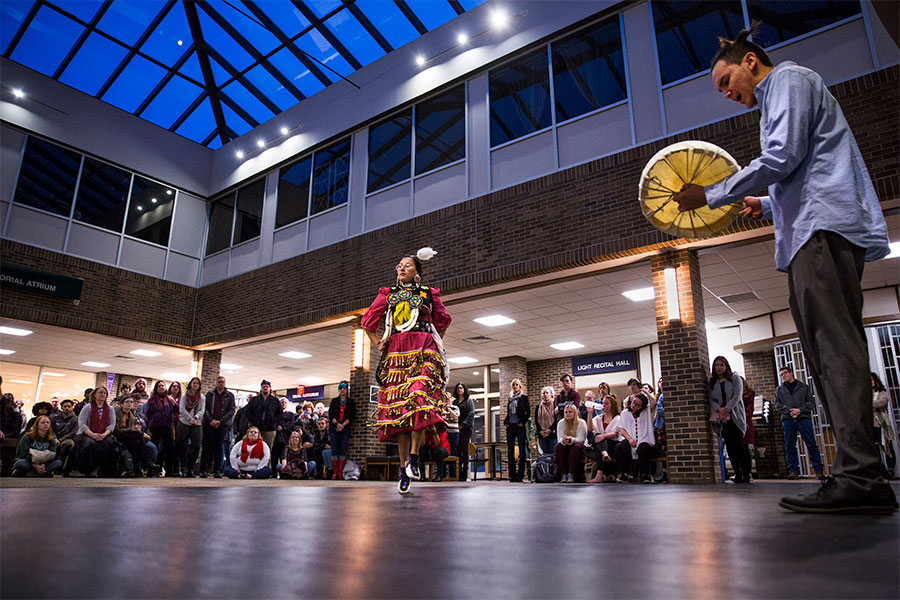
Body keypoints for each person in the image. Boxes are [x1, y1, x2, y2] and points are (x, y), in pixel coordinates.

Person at [673, 27, 895, 513]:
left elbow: (783, 156)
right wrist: (766, 201)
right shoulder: (776, 99)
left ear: (751, 61)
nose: (728, 94)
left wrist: (710, 193)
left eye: (727, 81)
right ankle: (859, 475)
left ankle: (861, 476)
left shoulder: (789, 80)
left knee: (835, 350)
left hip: (821, 231)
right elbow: (798, 168)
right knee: (824, 353)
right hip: (809, 232)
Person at [362, 248, 451, 494]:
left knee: (419, 398)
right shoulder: (387, 294)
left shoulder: (428, 293)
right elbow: (368, 322)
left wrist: (433, 342)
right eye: (399, 265)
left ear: (417, 272)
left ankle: (414, 457)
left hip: (423, 348)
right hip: (397, 351)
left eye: (407, 266)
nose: (401, 268)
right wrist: (378, 341)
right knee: (399, 412)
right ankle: (404, 468)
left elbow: (443, 320)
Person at [774, 366, 825, 481]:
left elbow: (810, 403)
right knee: (789, 445)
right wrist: (790, 410)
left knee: (811, 443)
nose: (783, 376)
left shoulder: (804, 387)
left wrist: (800, 410)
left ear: (791, 373)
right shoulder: (779, 390)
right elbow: (777, 405)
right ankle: (793, 471)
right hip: (788, 419)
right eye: (781, 374)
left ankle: (818, 471)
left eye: (785, 373)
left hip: (803, 418)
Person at [709, 357, 752, 484]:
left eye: (721, 365)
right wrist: (718, 409)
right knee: (730, 447)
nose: (719, 368)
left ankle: (746, 474)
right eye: (716, 365)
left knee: (739, 445)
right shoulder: (712, 381)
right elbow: (710, 398)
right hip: (721, 418)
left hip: (734, 415)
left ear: (726, 366)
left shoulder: (734, 378)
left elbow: (737, 395)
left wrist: (727, 408)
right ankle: (737, 473)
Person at [67, 387, 117, 477]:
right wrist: (93, 435)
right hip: (85, 433)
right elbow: (82, 423)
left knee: (108, 443)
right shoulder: (87, 407)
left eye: (104, 393)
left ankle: (95, 469)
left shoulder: (110, 409)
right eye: (100, 393)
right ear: (94, 395)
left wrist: (104, 434)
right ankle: (77, 468)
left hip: (103, 434)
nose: (102, 395)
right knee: (88, 443)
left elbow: (112, 424)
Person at [614, 392, 656, 483]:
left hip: (644, 439)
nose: (633, 405)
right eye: (633, 402)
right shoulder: (625, 413)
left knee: (643, 448)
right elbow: (622, 429)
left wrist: (645, 392)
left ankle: (645, 475)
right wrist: (630, 439)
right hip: (629, 438)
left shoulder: (646, 412)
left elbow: (653, 403)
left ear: (642, 407)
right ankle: (624, 473)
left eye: (637, 405)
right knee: (620, 448)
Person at [200, 375, 235, 478]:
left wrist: (220, 421)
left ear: (225, 383)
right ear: (216, 382)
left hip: (222, 425)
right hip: (209, 424)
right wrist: (211, 420)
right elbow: (204, 408)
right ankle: (204, 470)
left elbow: (232, 410)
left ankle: (217, 470)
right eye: (219, 381)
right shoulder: (210, 394)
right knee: (207, 447)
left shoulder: (230, 396)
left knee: (218, 448)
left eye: (222, 382)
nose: (221, 383)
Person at [145, 380, 179, 477]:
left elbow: (177, 410)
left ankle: (169, 471)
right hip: (155, 426)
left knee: (170, 449)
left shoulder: (169, 399)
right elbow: (147, 413)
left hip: (167, 426)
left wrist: (174, 402)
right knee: (155, 448)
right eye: (159, 386)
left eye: (163, 386)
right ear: (156, 388)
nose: (161, 387)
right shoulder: (151, 400)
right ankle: (153, 470)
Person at [586, 395, 622, 483]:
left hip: (612, 443)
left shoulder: (617, 418)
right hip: (600, 444)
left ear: (612, 406)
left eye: (607, 404)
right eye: (603, 403)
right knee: (597, 437)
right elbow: (590, 429)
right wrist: (590, 414)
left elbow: (615, 433)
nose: (604, 405)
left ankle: (600, 475)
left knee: (599, 440)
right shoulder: (598, 418)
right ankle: (604, 454)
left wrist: (603, 436)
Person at [503, 378, 530, 482]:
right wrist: (506, 421)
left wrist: (522, 421)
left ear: (520, 386)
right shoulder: (510, 398)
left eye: (517, 385)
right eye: (513, 385)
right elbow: (509, 413)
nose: (515, 386)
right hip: (511, 427)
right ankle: (512, 475)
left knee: (522, 452)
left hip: (519, 426)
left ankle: (520, 475)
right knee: (510, 452)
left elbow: (528, 412)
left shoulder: (523, 398)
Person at [176, 377, 204, 477]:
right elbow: (181, 409)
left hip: (196, 423)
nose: (195, 385)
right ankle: (183, 467)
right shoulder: (184, 396)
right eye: (194, 383)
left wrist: (195, 418)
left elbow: (202, 410)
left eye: (197, 383)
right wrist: (189, 418)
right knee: (182, 445)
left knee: (196, 445)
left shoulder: (202, 397)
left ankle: (190, 468)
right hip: (184, 422)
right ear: (190, 384)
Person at [244, 380, 281, 454]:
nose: (265, 388)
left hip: (270, 429)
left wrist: (274, 421)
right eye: (263, 387)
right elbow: (247, 411)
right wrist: (254, 421)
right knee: (255, 448)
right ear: (261, 388)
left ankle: (266, 465)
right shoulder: (255, 400)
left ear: (270, 388)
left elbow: (279, 413)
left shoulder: (275, 400)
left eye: (267, 387)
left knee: (268, 449)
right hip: (257, 428)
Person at [328, 381, 355, 480]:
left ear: (347, 390)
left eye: (344, 388)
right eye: (341, 388)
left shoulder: (350, 402)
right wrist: (337, 424)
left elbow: (352, 415)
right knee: (335, 449)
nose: (343, 390)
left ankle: (340, 472)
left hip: (345, 427)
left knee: (343, 449)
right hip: (334, 427)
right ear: (339, 390)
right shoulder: (334, 401)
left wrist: (343, 425)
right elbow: (331, 414)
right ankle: (335, 472)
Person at [114, 394, 146, 478]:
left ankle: (137, 466)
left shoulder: (131, 415)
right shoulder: (117, 412)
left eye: (131, 402)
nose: (129, 404)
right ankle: (136, 467)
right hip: (118, 434)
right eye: (127, 402)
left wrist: (135, 429)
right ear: (122, 403)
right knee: (137, 437)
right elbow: (116, 429)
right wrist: (130, 429)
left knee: (139, 440)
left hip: (129, 435)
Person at [871, 372, 896, 477]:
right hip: (870, 425)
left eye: (872, 380)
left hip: (881, 424)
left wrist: (869, 404)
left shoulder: (882, 393)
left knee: (887, 447)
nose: (870, 382)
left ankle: (890, 470)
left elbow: (882, 402)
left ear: (876, 381)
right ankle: (878, 471)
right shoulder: (865, 395)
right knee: (874, 449)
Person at [555, 404, 586, 483]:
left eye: (570, 412)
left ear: (575, 413)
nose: (567, 414)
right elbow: (559, 439)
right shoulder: (561, 423)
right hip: (566, 444)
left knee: (576, 447)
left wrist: (570, 440)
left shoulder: (581, 423)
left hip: (579, 445)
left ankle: (571, 474)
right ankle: (563, 474)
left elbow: (581, 439)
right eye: (566, 412)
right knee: (558, 447)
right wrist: (564, 440)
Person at [452, 382, 474, 481]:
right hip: (455, 429)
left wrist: (463, 425)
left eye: (461, 388)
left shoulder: (468, 401)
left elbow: (471, 414)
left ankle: (464, 472)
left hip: (466, 429)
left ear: (464, 389)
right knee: (457, 450)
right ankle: (457, 472)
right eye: (458, 388)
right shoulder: (454, 402)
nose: (460, 390)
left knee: (465, 450)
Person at [50, 398, 78, 467]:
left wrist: (61, 440)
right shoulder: (55, 419)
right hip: (55, 438)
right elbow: (51, 430)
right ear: (62, 407)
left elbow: (74, 432)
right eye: (65, 406)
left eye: (69, 406)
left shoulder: (75, 419)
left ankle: (62, 466)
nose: (67, 408)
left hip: (67, 439)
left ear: (72, 407)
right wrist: (55, 438)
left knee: (68, 443)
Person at [272, 397, 296, 474]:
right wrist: (277, 427)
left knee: (285, 455)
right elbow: (273, 423)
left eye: (285, 402)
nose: (283, 404)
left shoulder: (291, 414)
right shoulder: (275, 414)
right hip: (276, 437)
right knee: (274, 456)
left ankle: (286, 472)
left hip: (286, 438)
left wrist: (282, 427)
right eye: (282, 402)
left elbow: (291, 424)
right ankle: (274, 473)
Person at [534, 386, 557, 456]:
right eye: (543, 393)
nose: (545, 394)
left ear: (551, 394)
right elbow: (536, 420)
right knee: (544, 456)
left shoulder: (555, 405)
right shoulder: (538, 406)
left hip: (553, 434)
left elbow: (557, 420)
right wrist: (540, 431)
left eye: (547, 393)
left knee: (553, 455)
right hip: (542, 435)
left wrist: (549, 430)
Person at [308, 415, 332, 479]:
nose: (321, 425)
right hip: (319, 449)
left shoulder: (329, 432)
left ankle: (325, 473)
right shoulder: (316, 432)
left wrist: (313, 444)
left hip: (327, 449)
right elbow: (317, 443)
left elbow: (326, 444)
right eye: (319, 424)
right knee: (313, 450)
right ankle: (315, 472)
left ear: (326, 424)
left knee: (317, 450)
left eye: (322, 423)